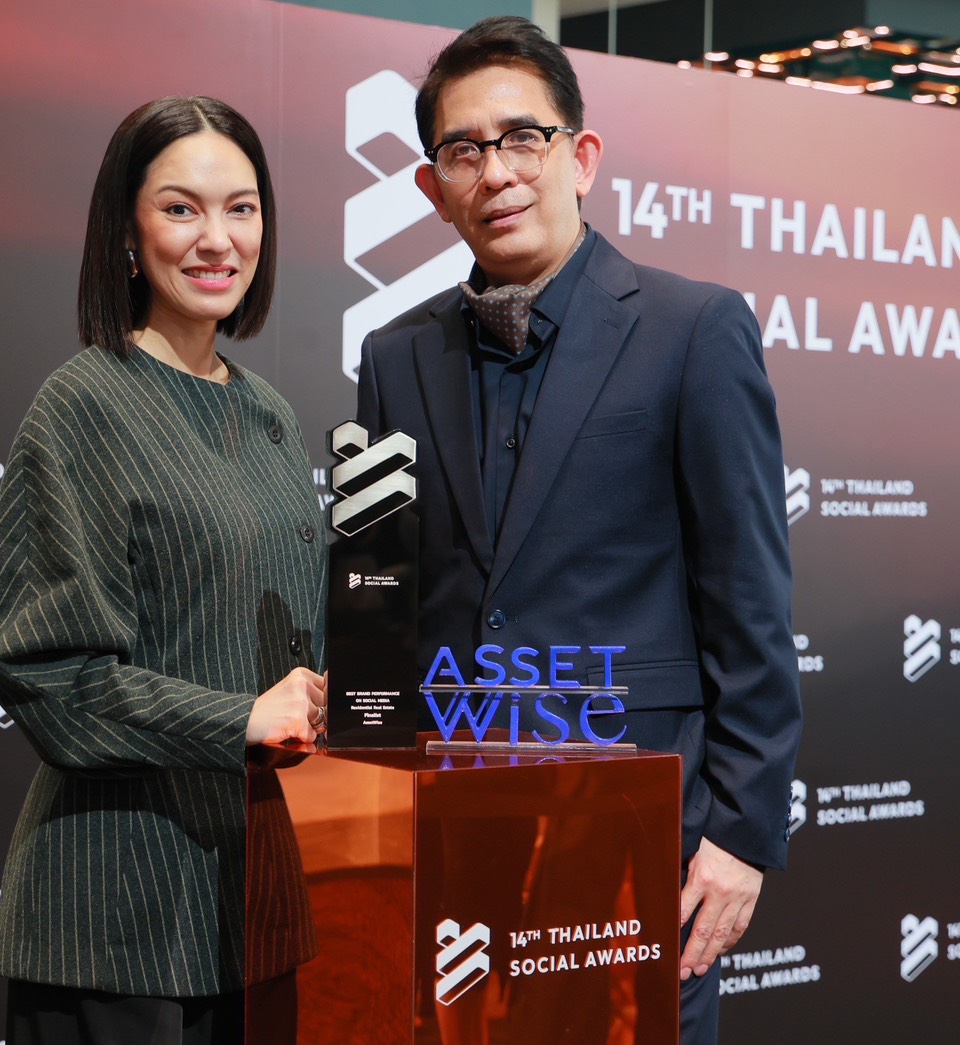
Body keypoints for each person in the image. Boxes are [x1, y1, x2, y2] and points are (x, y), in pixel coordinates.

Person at [355, 17, 801, 1042]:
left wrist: (740, 836)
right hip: (453, 839)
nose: (497, 173)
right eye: (463, 151)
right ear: (432, 188)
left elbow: (749, 601)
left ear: (581, 157)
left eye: (524, 139)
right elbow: (376, 601)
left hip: (639, 838)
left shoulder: (694, 329)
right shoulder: (391, 356)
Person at [0, 96, 326, 1045]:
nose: (217, 239)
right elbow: (45, 669)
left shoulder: (270, 412)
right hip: (114, 910)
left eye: (241, 208)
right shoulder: (82, 404)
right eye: (180, 209)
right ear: (126, 234)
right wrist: (239, 718)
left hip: (250, 902)